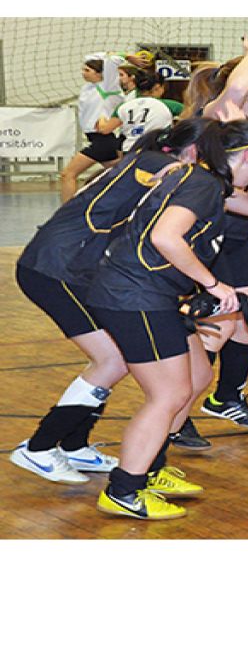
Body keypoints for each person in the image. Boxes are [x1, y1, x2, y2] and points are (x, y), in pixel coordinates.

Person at [87, 118, 248, 519]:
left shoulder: (205, 180)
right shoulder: (202, 185)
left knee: (197, 377)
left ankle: (150, 469)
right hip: (134, 295)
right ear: (245, 156)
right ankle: (125, 489)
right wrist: (214, 284)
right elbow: (165, 237)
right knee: (169, 395)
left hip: (147, 293)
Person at [11, 122, 201, 484]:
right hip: (55, 268)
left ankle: (74, 445)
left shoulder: (147, 163)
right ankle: (38, 447)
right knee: (112, 359)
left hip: (75, 269)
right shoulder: (155, 164)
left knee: (117, 357)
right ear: (190, 151)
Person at [172, 36, 248, 443]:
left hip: (238, 236)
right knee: (214, 329)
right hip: (206, 238)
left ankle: (226, 398)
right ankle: (177, 413)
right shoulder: (219, 116)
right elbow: (235, 89)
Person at [61, 52, 127, 201]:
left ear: (100, 73)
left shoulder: (107, 88)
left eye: (87, 70)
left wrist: (126, 56)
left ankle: (65, 213)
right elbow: (88, 56)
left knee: (68, 174)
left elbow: (111, 60)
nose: (83, 73)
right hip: (96, 139)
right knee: (118, 177)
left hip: (103, 140)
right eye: (83, 69)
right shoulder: (87, 88)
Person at [107, 71, 185, 152]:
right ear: (157, 87)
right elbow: (192, 118)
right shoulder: (171, 106)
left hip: (129, 150)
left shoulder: (123, 106)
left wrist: (101, 119)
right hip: (156, 151)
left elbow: (106, 129)